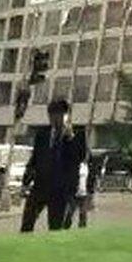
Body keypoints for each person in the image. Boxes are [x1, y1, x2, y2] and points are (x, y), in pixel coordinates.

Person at [21, 99, 87, 232]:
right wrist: (26, 180)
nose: (54, 119)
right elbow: (35, 158)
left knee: (55, 226)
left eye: (59, 115)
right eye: (51, 115)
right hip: (40, 185)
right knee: (27, 221)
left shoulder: (77, 134)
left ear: (66, 116)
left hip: (61, 189)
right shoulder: (43, 134)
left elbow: (80, 157)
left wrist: (70, 139)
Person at [63, 151, 94, 228]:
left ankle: (82, 230)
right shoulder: (75, 166)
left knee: (83, 213)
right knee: (70, 212)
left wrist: (91, 194)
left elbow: (91, 180)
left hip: (84, 194)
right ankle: (65, 227)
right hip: (74, 193)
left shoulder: (89, 167)